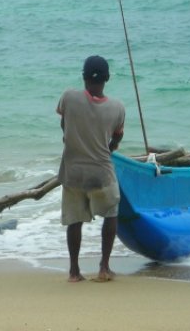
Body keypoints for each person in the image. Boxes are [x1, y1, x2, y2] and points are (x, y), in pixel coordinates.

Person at [56, 55, 125, 282]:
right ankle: (104, 267)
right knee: (112, 212)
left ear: (84, 77)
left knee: (74, 220)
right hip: (101, 173)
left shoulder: (68, 97)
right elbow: (115, 142)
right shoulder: (117, 108)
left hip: (72, 171)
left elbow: (64, 128)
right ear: (107, 78)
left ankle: (74, 272)